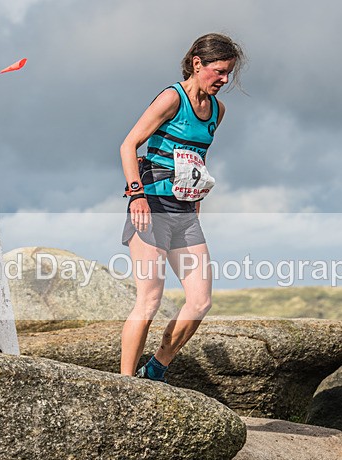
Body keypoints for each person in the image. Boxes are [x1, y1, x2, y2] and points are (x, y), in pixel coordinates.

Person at [119, 33, 244, 382]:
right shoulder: (172, 98)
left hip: (185, 214)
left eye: (228, 74)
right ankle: (127, 386)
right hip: (152, 208)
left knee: (200, 301)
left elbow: (197, 161)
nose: (223, 80)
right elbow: (129, 145)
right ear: (197, 63)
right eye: (218, 71)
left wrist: (196, 201)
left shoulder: (217, 111)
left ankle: (157, 368)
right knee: (149, 300)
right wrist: (136, 194)